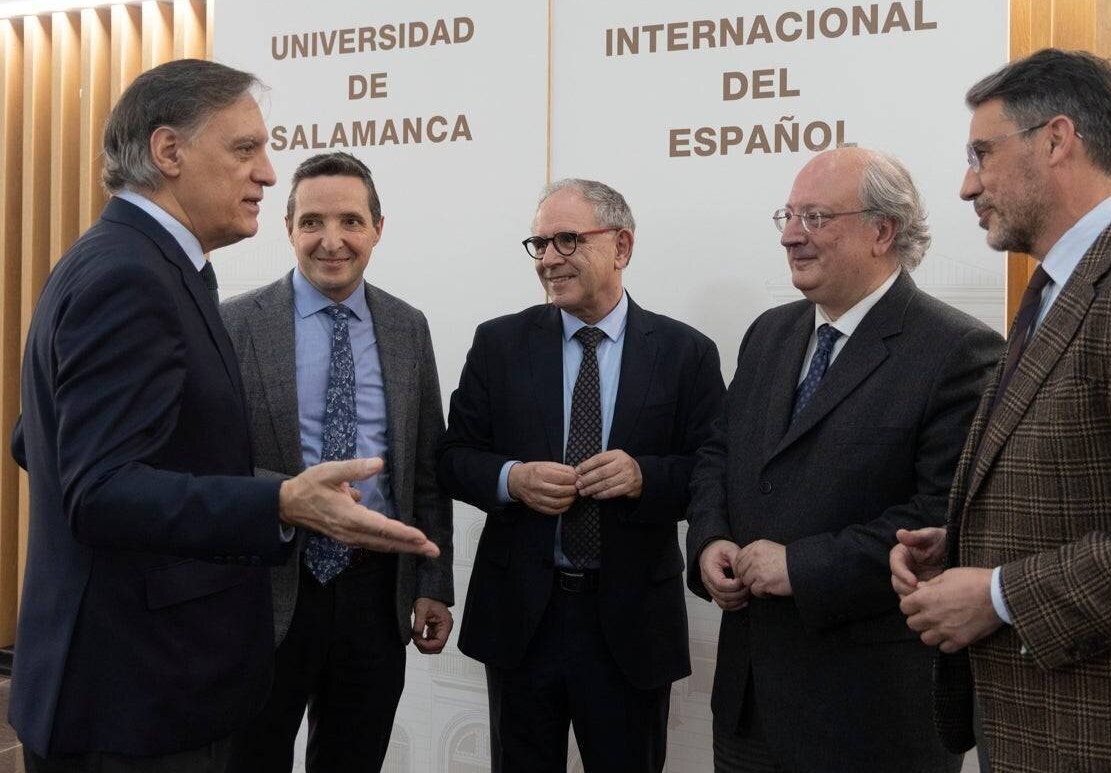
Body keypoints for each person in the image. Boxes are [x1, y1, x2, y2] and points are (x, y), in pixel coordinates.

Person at [10, 59, 438, 773]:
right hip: (132, 694)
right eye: (245, 149)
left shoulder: (146, 264)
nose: (266, 173)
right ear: (169, 151)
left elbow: (38, 440)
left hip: (146, 680)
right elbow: (99, 489)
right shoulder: (130, 276)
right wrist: (282, 500)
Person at [892, 48, 1111, 773]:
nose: (968, 185)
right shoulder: (1064, 287)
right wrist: (965, 544)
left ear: (1057, 139)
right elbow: (1085, 486)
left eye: (982, 154)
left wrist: (999, 595)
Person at [687, 147, 1003, 772]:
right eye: (787, 215)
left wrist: (800, 567)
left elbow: (942, 518)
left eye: (815, 217)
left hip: (870, 714)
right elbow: (719, 454)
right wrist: (710, 539)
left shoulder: (957, 350)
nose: (790, 235)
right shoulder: (768, 332)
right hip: (749, 702)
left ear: (882, 231)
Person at [437, 178, 724, 772]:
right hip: (522, 621)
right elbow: (452, 457)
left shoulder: (685, 352)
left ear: (622, 246)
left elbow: (713, 471)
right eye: (539, 244)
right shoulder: (499, 343)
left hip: (631, 625)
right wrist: (512, 478)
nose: (548, 259)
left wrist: (643, 476)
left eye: (567, 240)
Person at [221, 151, 453, 773]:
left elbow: (426, 471)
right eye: (312, 222)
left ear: (378, 228)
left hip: (376, 596)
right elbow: (210, 466)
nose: (332, 241)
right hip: (265, 590)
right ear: (288, 229)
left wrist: (432, 584)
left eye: (350, 221)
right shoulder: (234, 324)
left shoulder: (407, 327)